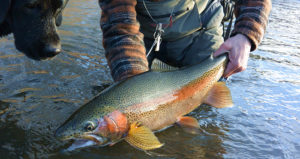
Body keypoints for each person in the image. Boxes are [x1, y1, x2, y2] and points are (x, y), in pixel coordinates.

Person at [98, 0, 272, 82]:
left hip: (201, 30)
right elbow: (120, 30)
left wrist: (246, 35)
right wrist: (132, 86)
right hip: (142, 37)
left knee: (207, 97)